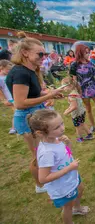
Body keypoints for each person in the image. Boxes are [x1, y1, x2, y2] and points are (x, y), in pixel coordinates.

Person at [6, 31, 64, 193]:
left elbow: (32, 93)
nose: (43, 57)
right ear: (25, 53)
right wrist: (49, 95)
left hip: (35, 114)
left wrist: (49, 94)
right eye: (40, 54)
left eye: (44, 54)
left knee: (44, 151)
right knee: (39, 155)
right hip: (27, 118)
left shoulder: (30, 71)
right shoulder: (20, 73)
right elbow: (20, 103)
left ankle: (45, 179)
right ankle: (40, 185)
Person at [28, 109, 89, 224]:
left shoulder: (55, 139)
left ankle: (77, 208)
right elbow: (43, 178)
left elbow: (66, 154)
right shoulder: (47, 152)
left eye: (61, 123)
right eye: (56, 127)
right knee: (67, 207)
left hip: (71, 177)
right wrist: (69, 168)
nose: (62, 128)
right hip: (62, 186)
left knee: (80, 188)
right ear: (40, 133)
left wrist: (68, 144)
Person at [70, 44, 95, 132]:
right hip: (83, 90)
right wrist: (76, 91)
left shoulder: (91, 64)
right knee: (88, 109)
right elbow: (73, 79)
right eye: (86, 52)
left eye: (88, 52)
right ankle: (93, 126)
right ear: (80, 52)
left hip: (94, 89)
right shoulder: (74, 65)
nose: (88, 54)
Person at [61, 77, 93, 143]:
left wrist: (67, 112)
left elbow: (74, 106)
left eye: (64, 87)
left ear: (70, 86)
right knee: (82, 123)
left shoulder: (71, 96)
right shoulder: (75, 92)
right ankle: (89, 134)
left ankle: (80, 138)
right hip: (81, 111)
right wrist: (69, 108)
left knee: (77, 126)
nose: (63, 88)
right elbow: (74, 105)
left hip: (77, 114)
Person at [0, 60, 16, 134]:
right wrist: (4, 100)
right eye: (8, 69)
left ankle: (16, 127)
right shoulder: (0, 78)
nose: (9, 71)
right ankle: (13, 128)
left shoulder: (9, 75)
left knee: (18, 111)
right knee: (17, 112)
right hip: (10, 98)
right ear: (1, 68)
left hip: (15, 96)